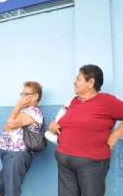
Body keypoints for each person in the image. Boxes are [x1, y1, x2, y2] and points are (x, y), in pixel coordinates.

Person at [50, 64, 123, 196]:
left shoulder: (107, 101)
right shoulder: (74, 102)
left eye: (78, 79)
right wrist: (54, 126)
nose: (74, 82)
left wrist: (116, 134)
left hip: (91, 163)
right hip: (64, 161)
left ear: (90, 82)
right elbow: (64, 124)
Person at [0, 81, 44, 196]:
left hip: (16, 155)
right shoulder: (24, 111)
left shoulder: (33, 111)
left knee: (11, 192)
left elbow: (10, 124)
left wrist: (17, 107)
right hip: (9, 155)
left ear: (35, 96)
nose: (22, 98)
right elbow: (6, 126)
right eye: (22, 94)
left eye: (26, 94)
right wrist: (11, 122)